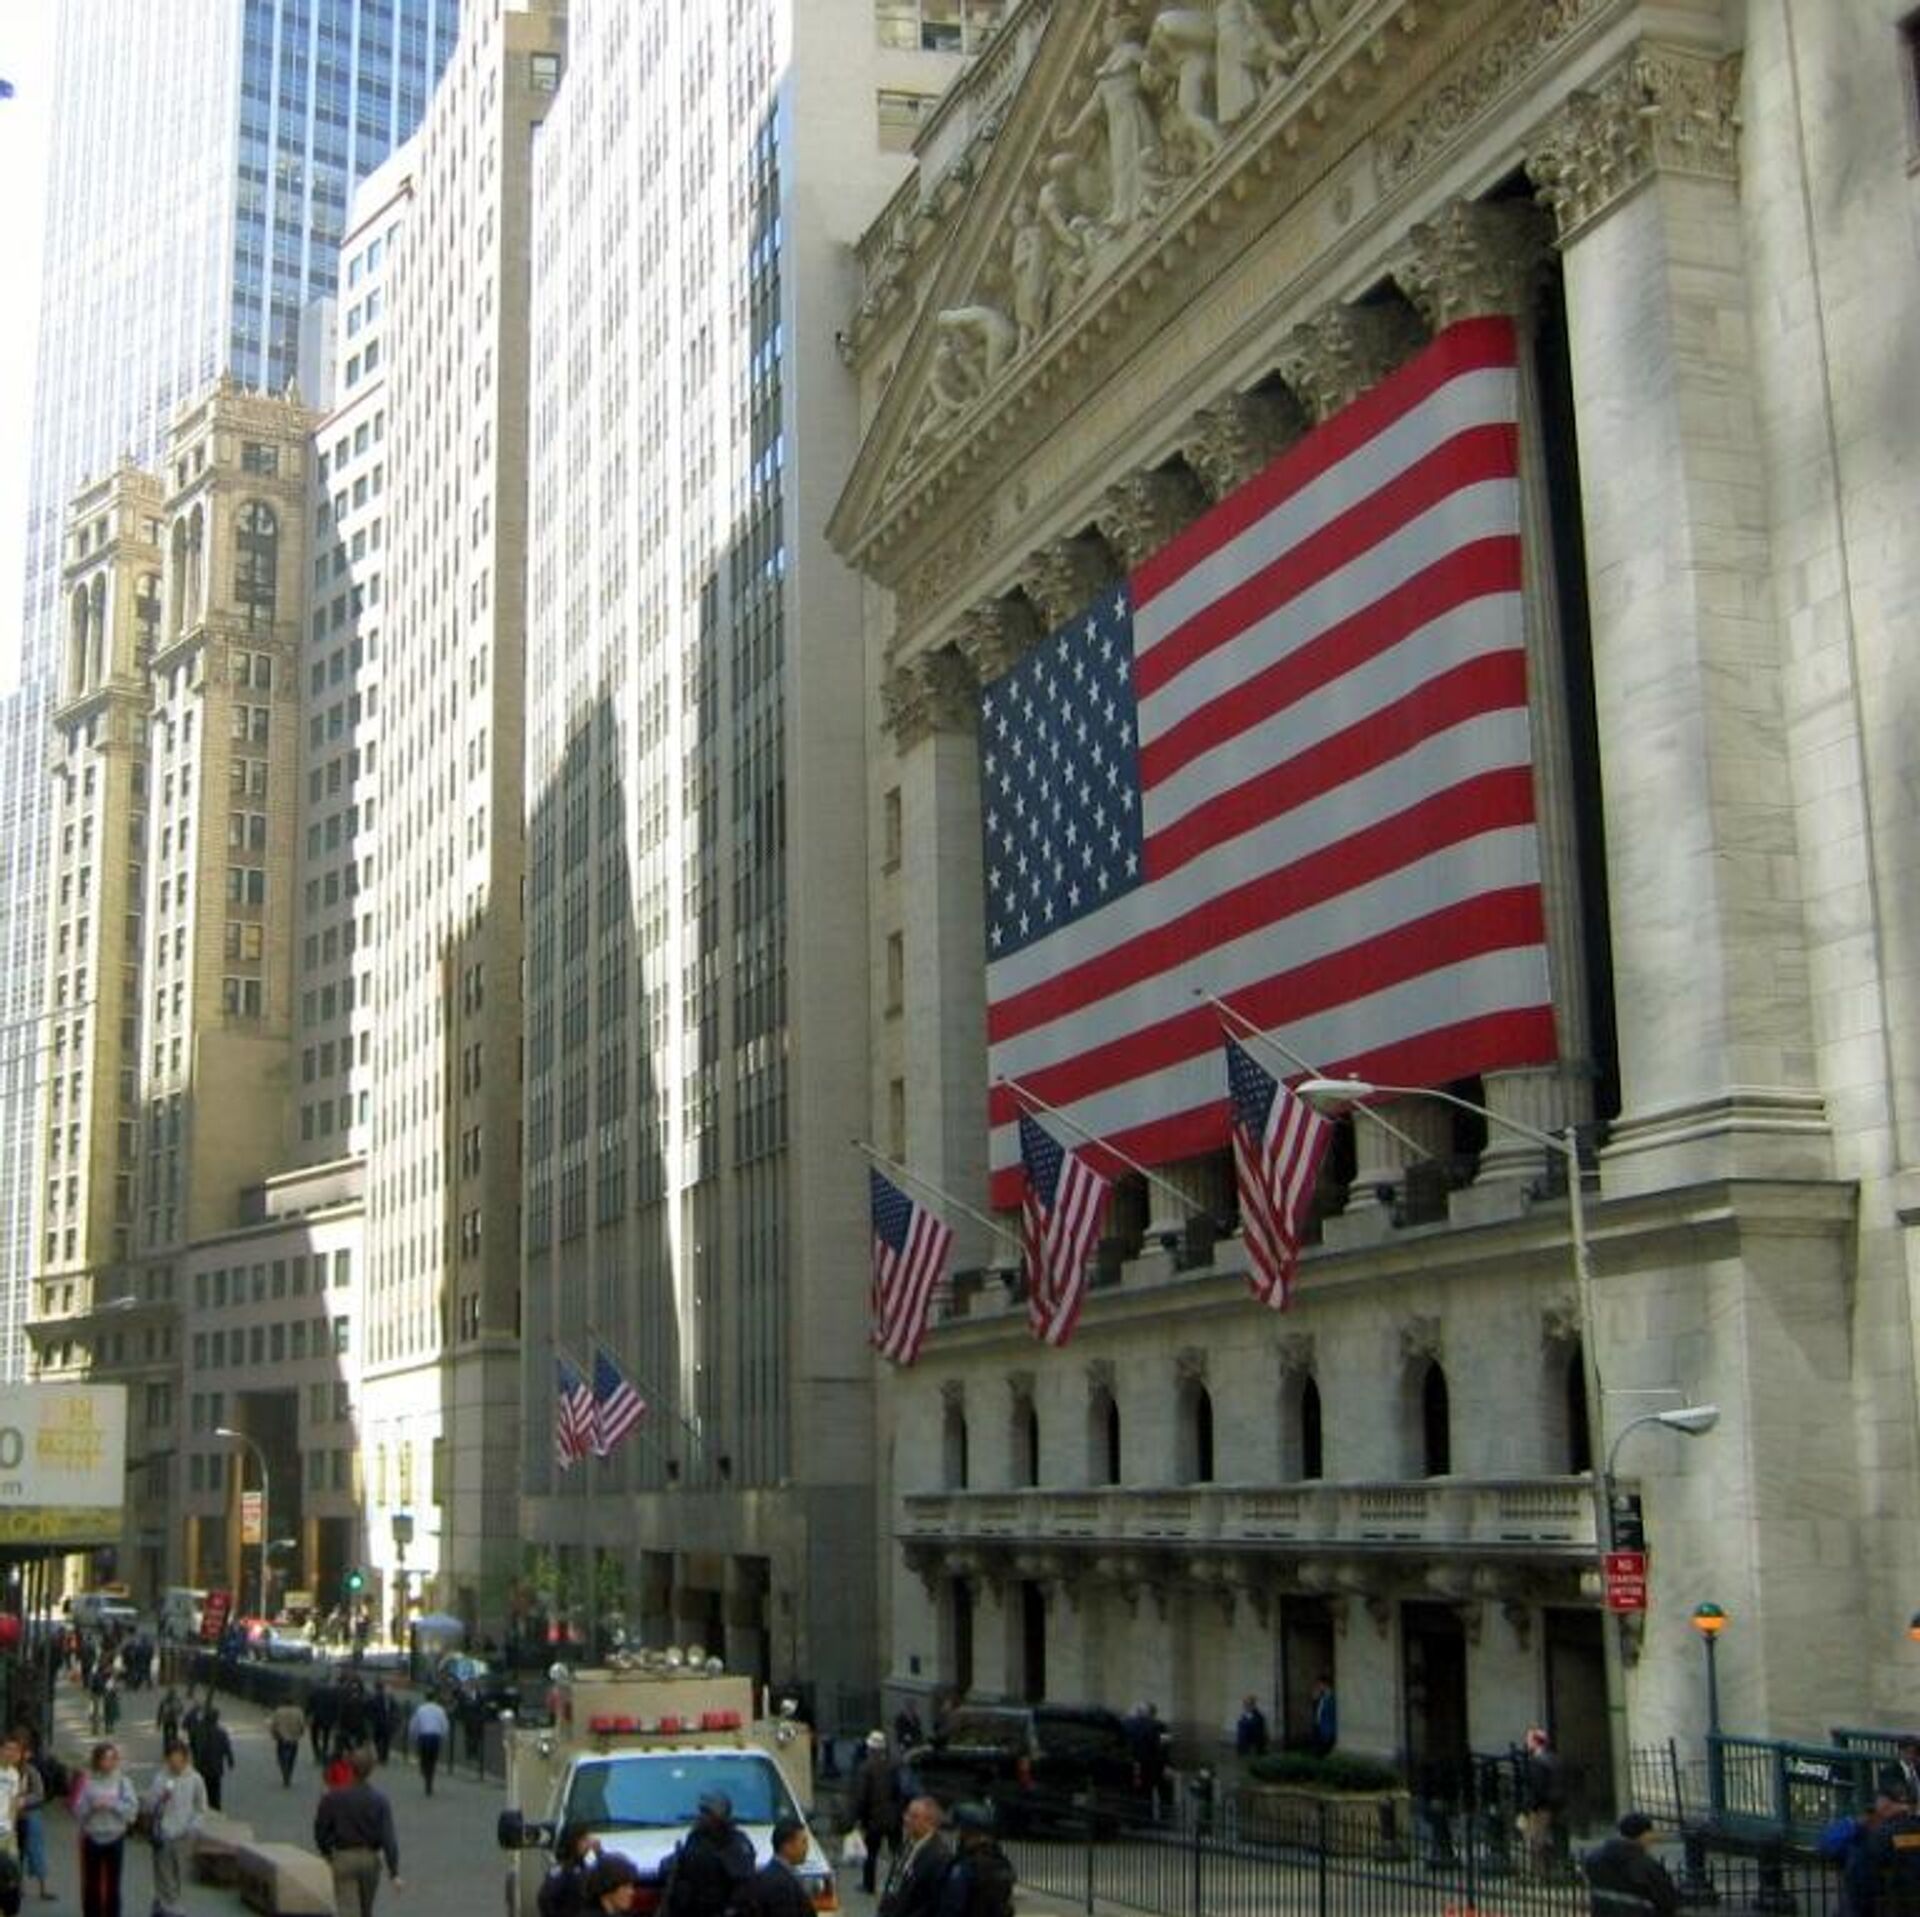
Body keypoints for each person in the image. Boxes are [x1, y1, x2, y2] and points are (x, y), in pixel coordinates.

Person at [314, 1744, 402, 1917]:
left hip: (343, 1857)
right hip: (369, 1859)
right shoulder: (380, 1800)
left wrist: (326, 1851)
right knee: (366, 1909)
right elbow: (388, 1838)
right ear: (371, 1770)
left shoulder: (333, 1797)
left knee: (346, 1907)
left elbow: (320, 1829)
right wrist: (394, 1872)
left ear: (350, 1767)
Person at [71, 1742, 139, 1917]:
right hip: (93, 1836)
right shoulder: (89, 1782)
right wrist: (91, 1807)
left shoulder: (123, 1782)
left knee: (113, 1885)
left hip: (115, 1836)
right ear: (97, 1760)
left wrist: (113, 1804)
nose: (108, 1763)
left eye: (112, 1759)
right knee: (92, 1884)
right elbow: (77, 1811)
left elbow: (132, 1811)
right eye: (104, 1759)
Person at [660, 1792, 755, 1917]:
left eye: (707, 1813)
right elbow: (683, 1860)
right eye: (702, 1812)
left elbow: (743, 1885)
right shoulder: (696, 1837)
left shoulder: (734, 1843)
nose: (701, 1817)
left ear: (719, 1817)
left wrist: (730, 1910)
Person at [145, 1740, 209, 1917]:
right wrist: (159, 1797)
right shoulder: (161, 1778)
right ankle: (168, 1904)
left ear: (186, 1759)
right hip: (164, 1831)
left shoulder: (195, 1779)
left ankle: (167, 1902)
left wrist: (194, 1826)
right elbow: (149, 1805)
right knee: (163, 1871)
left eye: (179, 1761)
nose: (176, 1766)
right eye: (172, 1761)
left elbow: (201, 1808)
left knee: (179, 1870)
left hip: (185, 1832)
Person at [1582, 1812, 1680, 1916]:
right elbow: (1667, 1900)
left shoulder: (1593, 1859)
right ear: (1644, 1835)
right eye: (1651, 1832)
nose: (1653, 1838)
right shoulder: (1646, 1865)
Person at [935, 1804, 1014, 1917]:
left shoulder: (965, 1867)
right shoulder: (1002, 1863)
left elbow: (951, 1907)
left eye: (961, 1830)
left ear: (967, 1832)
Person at [878, 1797, 950, 1917]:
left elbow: (931, 1902)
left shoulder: (939, 1856)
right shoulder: (908, 1844)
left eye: (914, 1816)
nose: (906, 1819)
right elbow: (895, 1879)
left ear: (930, 1822)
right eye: (907, 1814)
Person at [1856, 1779, 1920, 1915]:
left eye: (1878, 1800)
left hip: (1894, 1904)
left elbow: (1867, 1874)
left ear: (1885, 1802)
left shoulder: (1882, 1834)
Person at [851, 1730, 902, 1895]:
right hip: (894, 1817)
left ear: (870, 1749)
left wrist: (857, 1817)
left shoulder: (866, 1768)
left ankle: (869, 1885)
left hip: (874, 1818)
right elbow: (900, 1791)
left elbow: (861, 1796)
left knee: (871, 1853)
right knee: (897, 1854)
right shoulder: (893, 1766)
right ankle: (899, 1885)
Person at [735, 1817, 813, 1917]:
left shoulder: (775, 1874)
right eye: (803, 1842)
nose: (807, 1848)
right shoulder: (780, 1884)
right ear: (787, 1846)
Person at [1521, 1726, 1567, 1874]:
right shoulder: (1556, 1759)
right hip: (1556, 1804)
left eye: (1528, 1740)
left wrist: (1530, 1808)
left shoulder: (1537, 1762)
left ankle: (1539, 1872)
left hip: (1541, 1807)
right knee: (1548, 1838)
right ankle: (1555, 1867)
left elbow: (1537, 1788)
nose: (1526, 1743)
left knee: (1535, 1840)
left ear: (1536, 1742)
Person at [12, 1725, 50, 1904]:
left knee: (36, 1850)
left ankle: (43, 1887)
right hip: (11, 1815)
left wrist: (24, 1800)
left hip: (31, 1813)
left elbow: (40, 1793)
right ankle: (18, 1886)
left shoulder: (30, 1770)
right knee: (14, 1852)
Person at [537, 1823, 601, 1917]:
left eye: (587, 1839)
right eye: (584, 1840)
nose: (588, 1844)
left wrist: (599, 1853)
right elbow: (545, 1899)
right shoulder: (563, 1869)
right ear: (573, 1841)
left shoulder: (583, 1866)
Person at [188, 1704, 234, 1811]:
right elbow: (227, 1748)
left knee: (201, 1790)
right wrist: (230, 1760)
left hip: (201, 1765)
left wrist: (195, 1755)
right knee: (215, 1791)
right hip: (215, 1767)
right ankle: (215, 1809)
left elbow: (192, 1743)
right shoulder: (221, 1733)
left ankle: (202, 1808)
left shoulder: (198, 1730)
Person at [407, 1691, 449, 1796]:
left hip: (423, 1736)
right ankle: (429, 1781)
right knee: (432, 1760)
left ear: (425, 1698)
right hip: (435, 1736)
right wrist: (444, 1735)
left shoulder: (420, 1709)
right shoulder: (440, 1709)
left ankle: (424, 1770)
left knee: (424, 1756)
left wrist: (413, 1735)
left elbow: (414, 1723)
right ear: (435, 1698)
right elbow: (444, 1723)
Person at [270, 1697, 308, 1787]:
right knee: (292, 1758)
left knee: (280, 1756)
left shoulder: (279, 1711)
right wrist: (301, 1733)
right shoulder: (299, 1711)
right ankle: (289, 1774)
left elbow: (274, 1724)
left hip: (281, 1737)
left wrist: (274, 1734)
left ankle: (284, 1772)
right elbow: (302, 1724)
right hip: (294, 1737)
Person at [1309, 1676, 1337, 1757]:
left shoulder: (1331, 1697)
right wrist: (1314, 1699)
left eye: (1320, 1685)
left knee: (1324, 1747)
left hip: (1327, 1727)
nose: (1318, 1687)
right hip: (1318, 1724)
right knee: (1317, 1747)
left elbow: (1331, 1713)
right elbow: (1317, 1710)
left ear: (1325, 1685)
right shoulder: (1321, 1696)